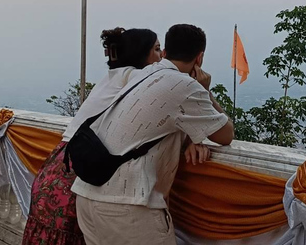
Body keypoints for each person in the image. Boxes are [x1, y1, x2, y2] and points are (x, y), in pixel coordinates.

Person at [22, 28, 207, 245]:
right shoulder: (139, 78)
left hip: (58, 169)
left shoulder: (112, 77)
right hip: (82, 175)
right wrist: (200, 99)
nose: (162, 57)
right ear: (142, 54)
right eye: (157, 50)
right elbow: (175, 105)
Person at [73, 24, 234, 245]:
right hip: (127, 206)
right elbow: (225, 135)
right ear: (200, 58)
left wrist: (190, 139)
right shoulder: (186, 86)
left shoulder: (145, 73)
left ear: (165, 52)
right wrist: (205, 89)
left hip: (87, 195)